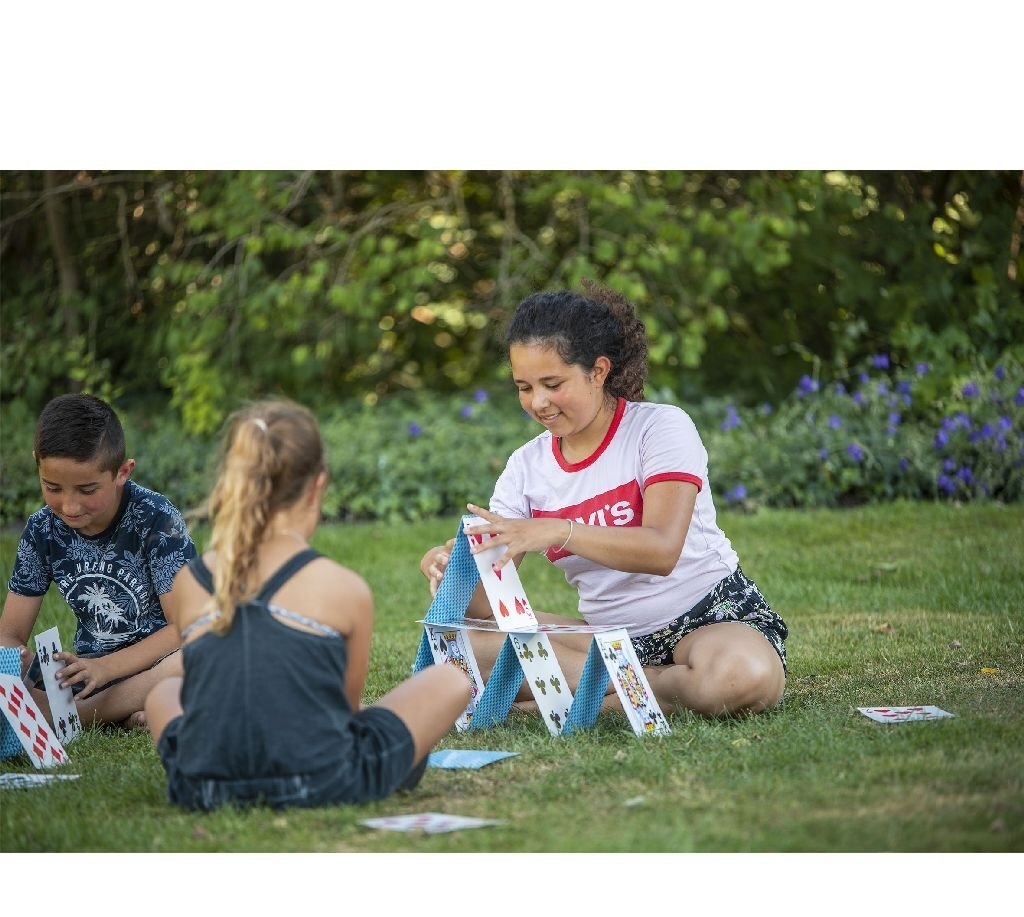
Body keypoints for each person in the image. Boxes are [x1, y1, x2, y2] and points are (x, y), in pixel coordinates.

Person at [420, 281, 788, 719]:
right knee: (464, 650)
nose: (538, 402)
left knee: (742, 676)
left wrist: (558, 530)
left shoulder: (660, 429)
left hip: (708, 620)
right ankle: (647, 686)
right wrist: (451, 572)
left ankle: (572, 698)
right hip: (607, 639)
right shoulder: (525, 468)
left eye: (552, 384)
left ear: (598, 371)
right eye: (524, 387)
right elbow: (486, 609)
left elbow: (661, 551)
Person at [145, 400, 469, 811]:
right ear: (317, 486)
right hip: (322, 779)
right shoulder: (343, 587)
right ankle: (395, 763)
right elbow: (344, 713)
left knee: (163, 693)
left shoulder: (189, 581)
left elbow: (203, 694)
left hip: (204, 786)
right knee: (450, 680)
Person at [0, 394, 197, 728]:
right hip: (86, 675)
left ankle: (72, 715)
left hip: (160, 663)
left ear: (122, 472)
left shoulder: (156, 518)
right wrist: (13, 659)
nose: (70, 506)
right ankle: (128, 710)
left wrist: (107, 668)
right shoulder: (41, 530)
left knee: (200, 653)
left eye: (87, 490)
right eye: (52, 487)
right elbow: (10, 634)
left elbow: (184, 627)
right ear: (37, 464)